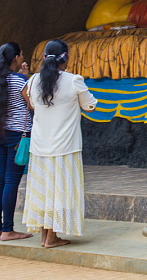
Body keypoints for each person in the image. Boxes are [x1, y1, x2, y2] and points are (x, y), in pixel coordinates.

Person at [21, 39, 97, 248]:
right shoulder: (74, 80)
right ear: (66, 58)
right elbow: (90, 106)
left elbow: (33, 105)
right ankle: (52, 237)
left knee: (44, 191)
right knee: (59, 192)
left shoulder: (34, 80)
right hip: (65, 147)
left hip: (40, 146)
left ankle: (46, 236)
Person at [0, 42, 33, 242]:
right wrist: (25, 78)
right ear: (16, 58)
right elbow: (32, 105)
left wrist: (22, 77)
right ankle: (8, 230)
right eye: (20, 55)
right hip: (17, 136)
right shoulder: (21, 81)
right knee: (12, 182)